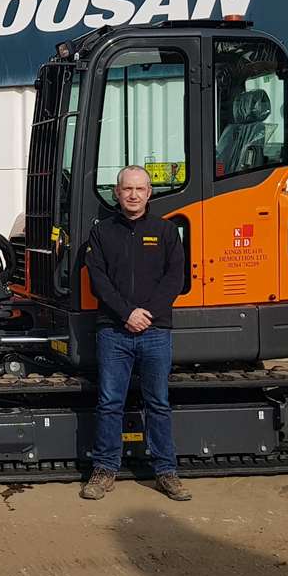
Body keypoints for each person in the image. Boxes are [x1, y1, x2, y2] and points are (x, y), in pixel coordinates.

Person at [81, 165, 190, 502]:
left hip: (156, 331)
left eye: (139, 189)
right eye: (127, 189)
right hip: (113, 331)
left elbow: (175, 278)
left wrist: (147, 315)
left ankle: (166, 472)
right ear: (117, 192)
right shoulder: (101, 233)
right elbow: (98, 279)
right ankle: (104, 470)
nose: (133, 195)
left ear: (149, 193)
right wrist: (126, 313)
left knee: (158, 402)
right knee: (110, 402)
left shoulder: (166, 231)